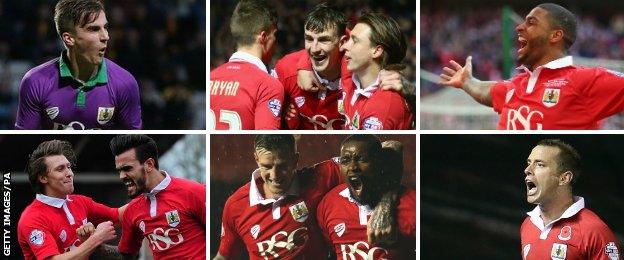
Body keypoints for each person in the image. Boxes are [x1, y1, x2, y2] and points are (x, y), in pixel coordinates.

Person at [439, 3, 624, 130]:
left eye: (531, 22)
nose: (519, 27)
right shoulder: (516, 85)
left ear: (555, 35)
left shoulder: (586, 80)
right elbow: (486, 91)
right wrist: (467, 81)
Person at [215, 135, 398, 259]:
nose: (275, 174)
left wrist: (385, 204)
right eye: (267, 166)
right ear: (256, 159)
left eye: (283, 166)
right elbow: (224, 256)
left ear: (295, 159)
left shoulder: (320, 176)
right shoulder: (236, 205)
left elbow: (391, 148)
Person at [15, 0, 142, 130]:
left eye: (105, 27)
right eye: (94, 29)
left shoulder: (125, 83)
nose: (106, 36)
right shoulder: (35, 81)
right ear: (69, 39)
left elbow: (134, 145)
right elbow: (23, 145)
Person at [317, 135, 416, 259]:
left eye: (362, 159)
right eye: (346, 160)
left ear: (379, 164)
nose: (353, 167)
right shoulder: (329, 204)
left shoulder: (412, 205)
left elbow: (394, 145)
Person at [18, 140, 120, 259]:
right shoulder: (33, 218)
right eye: (60, 169)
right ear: (43, 178)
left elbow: (120, 215)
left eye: (69, 167)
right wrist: (96, 239)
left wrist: (145, 194)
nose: (70, 173)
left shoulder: (80, 202)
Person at [108, 134, 206, 259]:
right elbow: (125, 255)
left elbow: (218, 236)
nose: (121, 176)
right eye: (119, 170)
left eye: (127, 168)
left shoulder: (193, 192)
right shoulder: (132, 210)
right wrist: (93, 242)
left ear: (149, 164)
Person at [521, 139, 621, 259]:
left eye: (540, 165)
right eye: (529, 163)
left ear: (564, 178)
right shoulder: (528, 224)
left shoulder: (594, 230)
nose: (527, 170)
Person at [210, 0, 283, 130]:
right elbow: (266, 146)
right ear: (263, 37)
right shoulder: (267, 86)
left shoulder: (211, 77)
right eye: (275, 35)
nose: (276, 41)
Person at [339, 12, 413, 130]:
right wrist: (305, 66)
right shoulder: (351, 68)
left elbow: (365, 147)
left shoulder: (383, 107)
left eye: (355, 41)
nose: (344, 46)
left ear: (376, 51)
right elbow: (329, 30)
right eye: (349, 39)